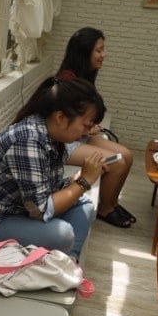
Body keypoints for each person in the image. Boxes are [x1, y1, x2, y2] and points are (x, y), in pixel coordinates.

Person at [0, 77, 107, 260]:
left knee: (84, 205)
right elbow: (40, 210)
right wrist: (83, 182)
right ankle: (62, 260)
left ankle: (69, 262)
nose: (86, 133)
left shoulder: (50, 136)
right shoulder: (28, 140)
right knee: (63, 234)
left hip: (14, 210)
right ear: (61, 118)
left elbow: (44, 190)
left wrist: (72, 182)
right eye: (85, 126)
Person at [56, 27, 135, 228]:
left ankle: (112, 203)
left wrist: (87, 126)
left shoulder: (84, 76)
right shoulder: (67, 80)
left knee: (126, 154)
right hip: (64, 142)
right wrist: (86, 127)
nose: (103, 55)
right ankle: (105, 210)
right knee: (116, 163)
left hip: (78, 135)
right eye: (99, 50)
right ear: (85, 52)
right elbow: (60, 126)